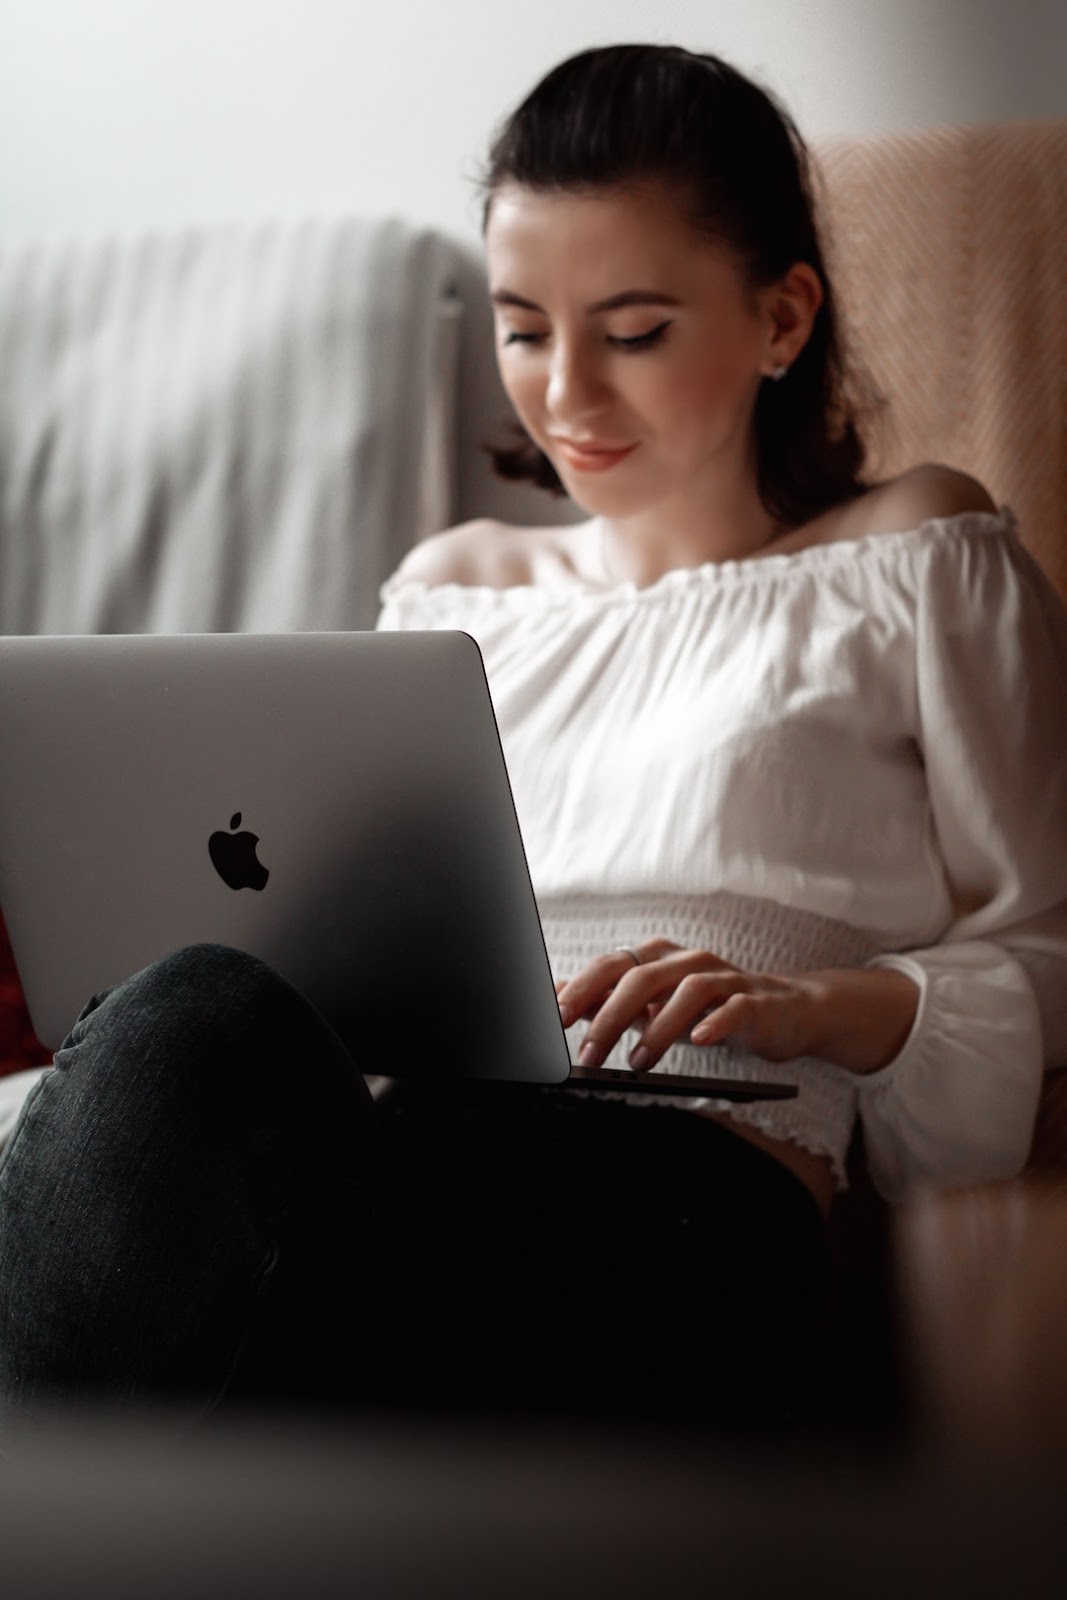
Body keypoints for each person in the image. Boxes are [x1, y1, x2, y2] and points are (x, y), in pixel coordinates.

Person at [1, 43, 1065, 1435]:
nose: (564, 392)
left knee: (216, 1096)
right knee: (186, 1015)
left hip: (687, 1186)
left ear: (782, 316)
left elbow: (1051, 936)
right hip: (388, 1151)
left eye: (631, 331)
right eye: (521, 327)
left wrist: (831, 1007)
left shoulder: (920, 551)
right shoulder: (457, 585)